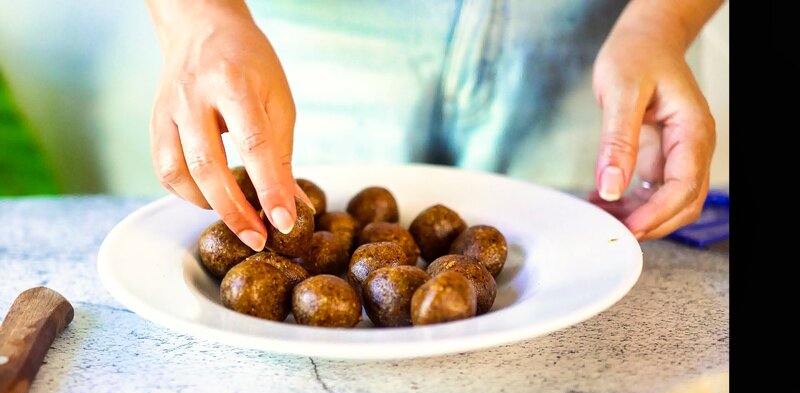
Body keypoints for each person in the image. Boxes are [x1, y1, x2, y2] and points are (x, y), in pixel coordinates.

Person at [145, 0, 722, 251]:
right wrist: (198, 18)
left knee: (564, 254)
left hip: (591, 48)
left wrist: (660, 24)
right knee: (286, 212)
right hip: (316, 46)